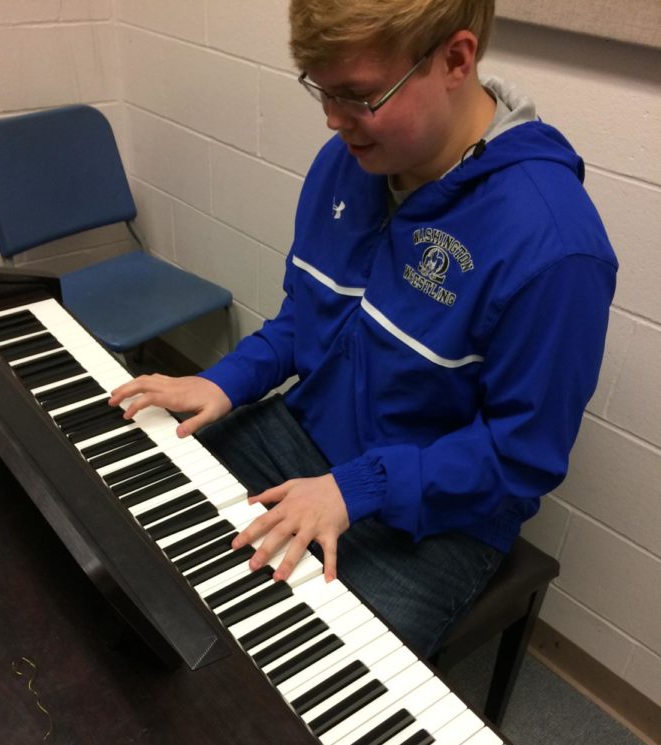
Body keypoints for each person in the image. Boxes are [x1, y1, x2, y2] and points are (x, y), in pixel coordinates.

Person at [109, 0, 617, 659]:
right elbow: (305, 320)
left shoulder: (553, 246)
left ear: (455, 60)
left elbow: (520, 457)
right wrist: (223, 380)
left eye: (357, 95)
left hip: (437, 519)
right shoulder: (350, 160)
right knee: (144, 529)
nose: (331, 119)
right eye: (320, 89)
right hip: (304, 436)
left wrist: (358, 488)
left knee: (289, 681)